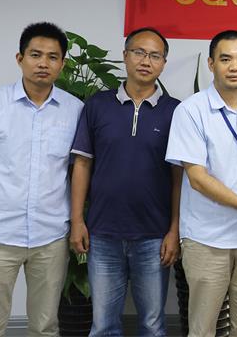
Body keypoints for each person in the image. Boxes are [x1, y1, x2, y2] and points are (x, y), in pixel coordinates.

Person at [0, 22, 84, 337]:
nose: (43, 63)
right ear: (19, 58)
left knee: (45, 326)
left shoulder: (75, 110)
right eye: (35, 55)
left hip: (50, 236)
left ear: (62, 64)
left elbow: (76, 168)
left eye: (52, 57)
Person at [165, 30, 237, 337]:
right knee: (203, 329)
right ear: (211, 64)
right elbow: (198, 178)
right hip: (208, 238)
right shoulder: (191, 111)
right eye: (226, 59)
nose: (235, 67)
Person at [68, 27, 181, 336]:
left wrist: (174, 230)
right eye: (139, 52)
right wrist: (77, 220)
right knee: (103, 325)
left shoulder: (176, 111)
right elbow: (82, 164)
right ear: (125, 55)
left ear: (163, 63)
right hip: (103, 233)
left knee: (152, 325)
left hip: (154, 236)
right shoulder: (97, 105)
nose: (146, 61)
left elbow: (179, 177)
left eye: (155, 55)